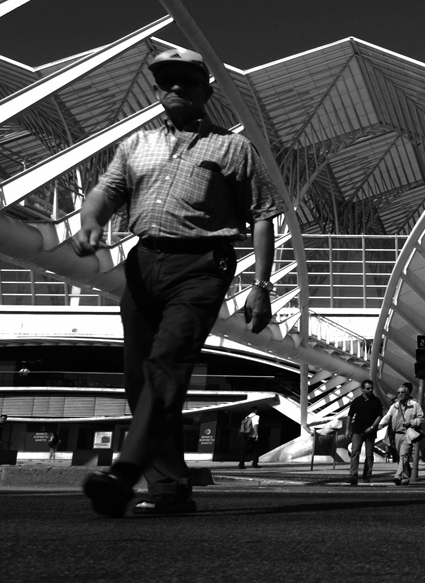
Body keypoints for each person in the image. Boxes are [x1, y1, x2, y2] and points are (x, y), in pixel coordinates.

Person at [75, 47, 283, 517]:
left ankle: (123, 475)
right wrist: (91, 219)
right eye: (165, 81)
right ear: (156, 89)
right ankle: (169, 488)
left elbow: (263, 217)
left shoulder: (234, 148)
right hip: (144, 262)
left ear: (206, 90)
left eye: (185, 81)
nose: (174, 88)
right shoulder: (136, 145)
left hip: (202, 266)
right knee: (137, 380)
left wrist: (262, 285)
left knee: (167, 367)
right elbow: (108, 191)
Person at [377, 383, 423, 485]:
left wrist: (411, 422)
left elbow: (421, 419)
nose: (400, 394)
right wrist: (381, 424)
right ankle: (406, 475)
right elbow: (388, 416)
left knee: (403, 455)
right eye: (398, 393)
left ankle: (397, 476)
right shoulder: (394, 406)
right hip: (395, 435)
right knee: (401, 457)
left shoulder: (415, 405)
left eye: (403, 392)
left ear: (408, 393)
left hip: (407, 434)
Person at [346, 379, 383, 485]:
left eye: (372, 388)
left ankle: (367, 476)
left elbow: (379, 415)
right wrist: (348, 429)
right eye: (368, 388)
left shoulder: (377, 401)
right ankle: (353, 476)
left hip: (370, 432)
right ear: (363, 389)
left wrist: (372, 427)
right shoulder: (357, 401)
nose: (371, 390)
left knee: (369, 455)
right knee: (355, 453)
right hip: (357, 431)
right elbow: (350, 415)